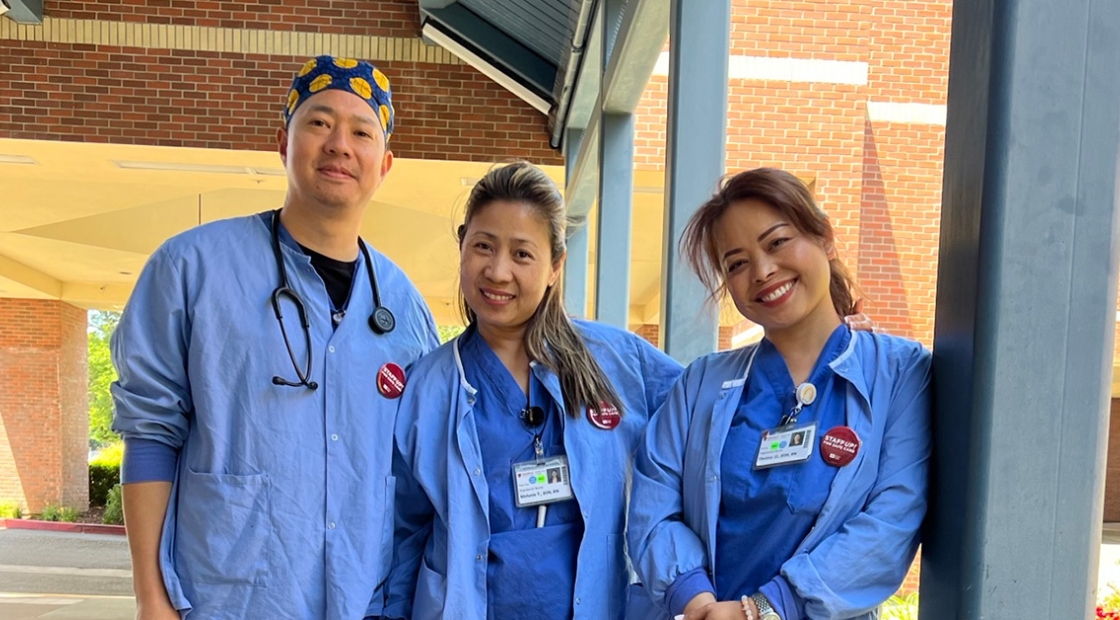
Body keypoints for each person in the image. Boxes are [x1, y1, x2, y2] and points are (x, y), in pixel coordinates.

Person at [111, 55, 439, 620]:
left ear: (383, 165)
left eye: (362, 132)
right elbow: (149, 432)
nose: (339, 144)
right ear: (283, 144)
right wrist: (151, 596)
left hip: (365, 601)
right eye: (318, 122)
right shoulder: (192, 270)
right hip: (226, 599)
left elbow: (414, 474)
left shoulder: (404, 306)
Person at [383, 162, 684, 620]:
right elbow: (404, 530)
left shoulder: (617, 362)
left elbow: (701, 427)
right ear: (462, 246)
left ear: (554, 266)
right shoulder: (428, 387)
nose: (498, 271)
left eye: (522, 254)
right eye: (483, 246)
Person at [627, 168, 931, 620]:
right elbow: (653, 502)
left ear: (825, 237)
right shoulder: (701, 384)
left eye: (777, 242)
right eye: (737, 263)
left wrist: (764, 610)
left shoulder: (900, 372)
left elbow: (892, 519)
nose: (763, 271)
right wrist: (699, 603)